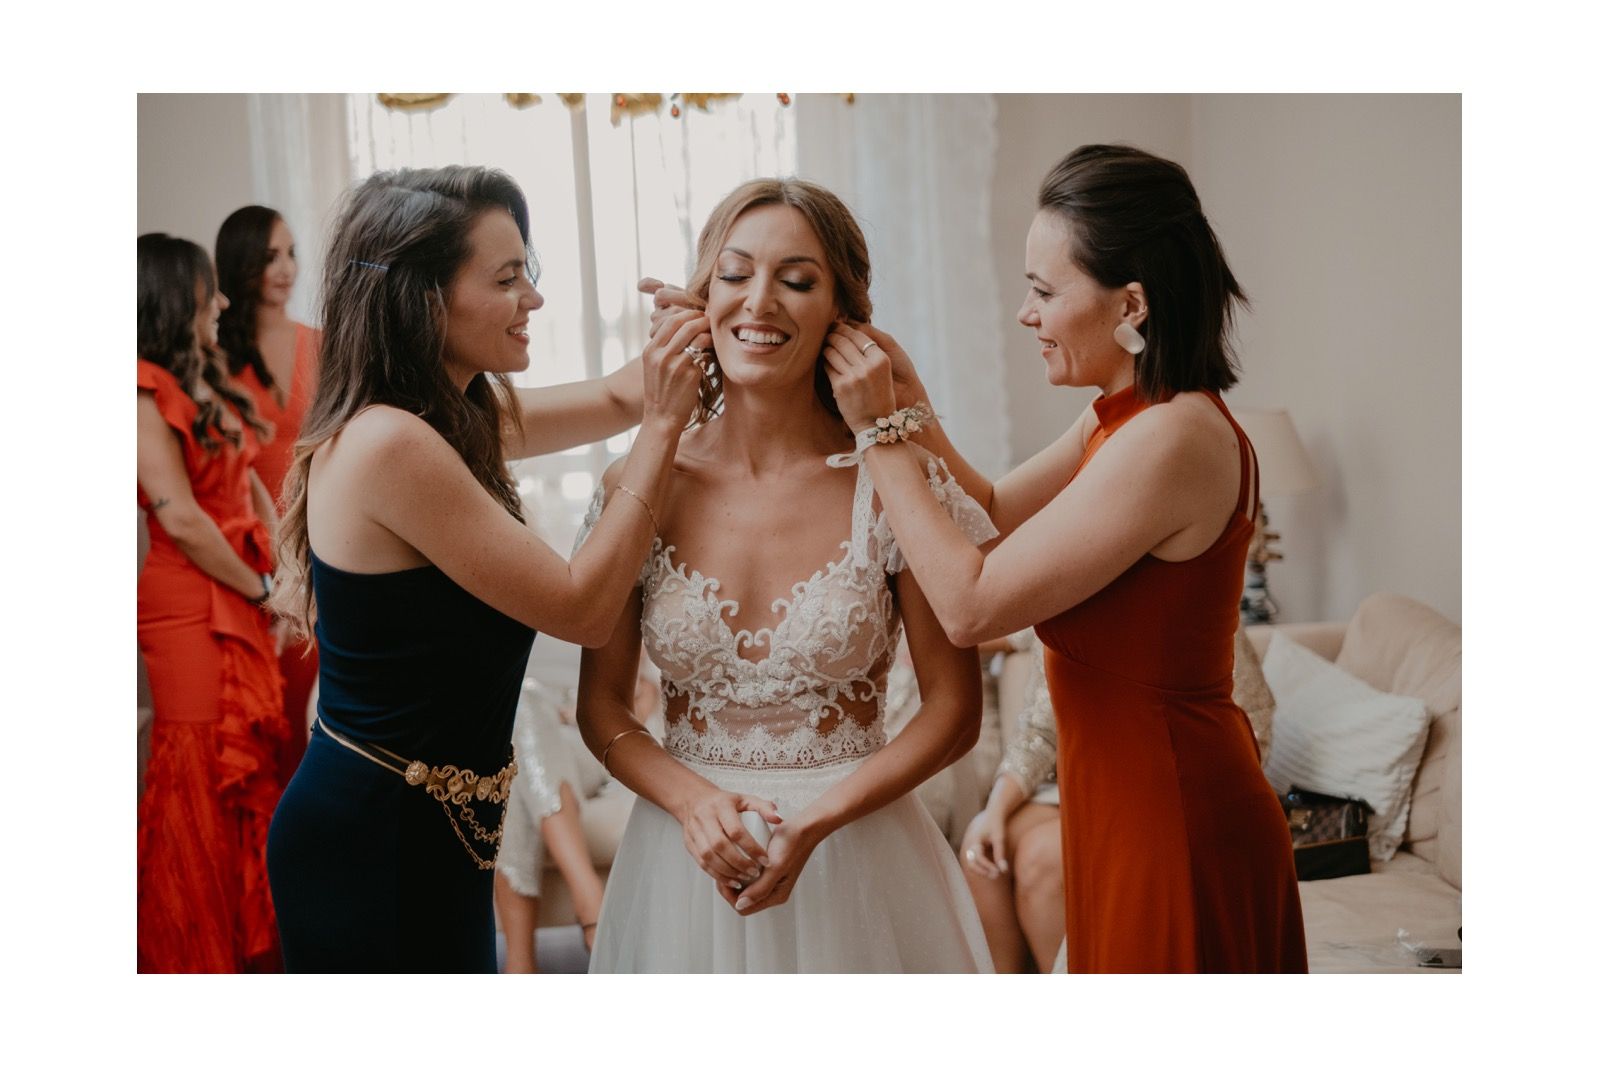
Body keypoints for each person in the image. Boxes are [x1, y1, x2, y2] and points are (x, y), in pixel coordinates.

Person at [821, 144, 1308, 972]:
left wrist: (877, 432)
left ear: (1132, 304)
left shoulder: (1173, 438)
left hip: (1175, 818)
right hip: (1117, 809)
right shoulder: (1121, 416)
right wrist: (912, 406)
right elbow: (993, 513)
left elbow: (971, 605)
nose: (1026, 314)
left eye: (1044, 292)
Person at [264, 164, 703, 973]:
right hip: (371, 843)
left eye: (526, 272)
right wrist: (664, 432)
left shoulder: (447, 417)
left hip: (432, 830)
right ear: (423, 300)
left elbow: (619, 397)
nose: (533, 297)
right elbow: (582, 609)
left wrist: (709, 311)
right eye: (507, 279)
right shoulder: (392, 444)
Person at [575, 178, 995, 973]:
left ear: (842, 314)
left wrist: (818, 821)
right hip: (683, 864)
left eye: (796, 281)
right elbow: (601, 709)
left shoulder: (893, 480)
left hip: (857, 862)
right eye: (735, 275)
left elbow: (954, 712)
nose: (759, 301)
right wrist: (693, 801)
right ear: (703, 298)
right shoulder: (640, 483)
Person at [136, 233, 285, 972]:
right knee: (199, 767)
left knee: (249, 768)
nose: (222, 301)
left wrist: (284, 572)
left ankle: (244, 956)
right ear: (176, 298)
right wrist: (261, 588)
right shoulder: (138, 391)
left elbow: (251, 484)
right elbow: (184, 521)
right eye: (208, 290)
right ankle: (192, 959)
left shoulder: (206, 381)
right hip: (191, 602)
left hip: (244, 585)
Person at [216, 205, 323, 784]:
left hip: (319, 540)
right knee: (265, 711)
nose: (286, 269)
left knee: (316, 706)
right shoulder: (214, 359)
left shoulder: (322, 344)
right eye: (269, 256)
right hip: (246, 555)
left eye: (291, 254)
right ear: (241, 265)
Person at [959, 632, 1064, 973]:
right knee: (981, 847)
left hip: (1133, 788)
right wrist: (995, 810)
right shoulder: (1048, 620)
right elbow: (1040, 730)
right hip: (1062, 787)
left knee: (1039, 858)